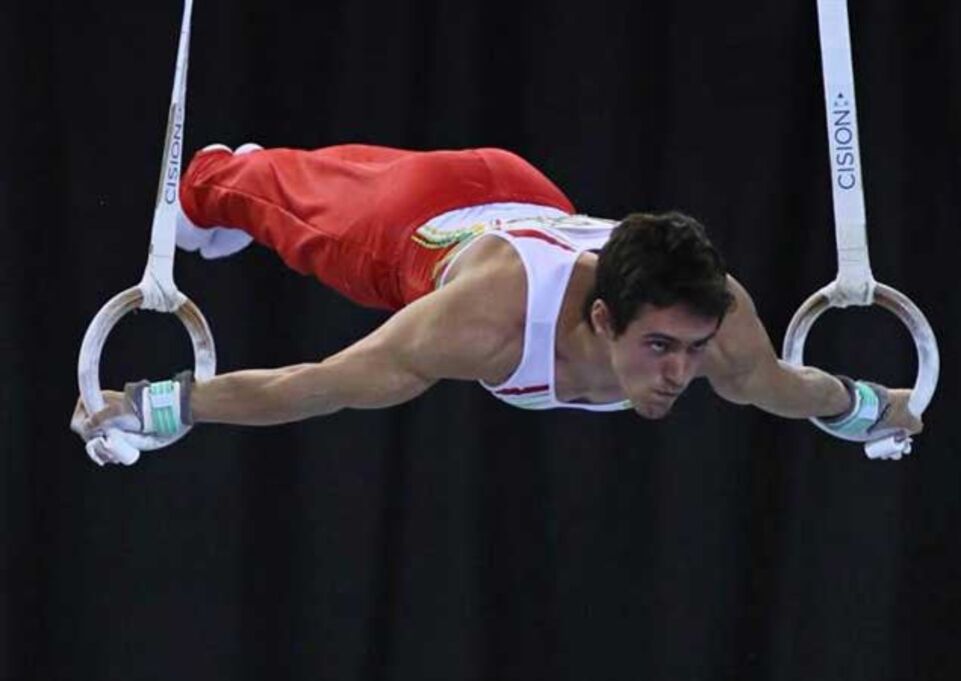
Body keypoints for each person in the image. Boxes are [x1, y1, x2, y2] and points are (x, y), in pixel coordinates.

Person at [71, 143, 922, 463]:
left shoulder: (716, 321)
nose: (680, 373)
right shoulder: (484, 324)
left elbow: (786, 388)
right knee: (285, 207)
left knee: (735, 367)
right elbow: (317, 384)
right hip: (424, 229)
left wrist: (872, 407)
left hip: (532, 193)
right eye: (660, 348)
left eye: (692, 350)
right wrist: (155, 405)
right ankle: (217, 178)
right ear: (600, 320)